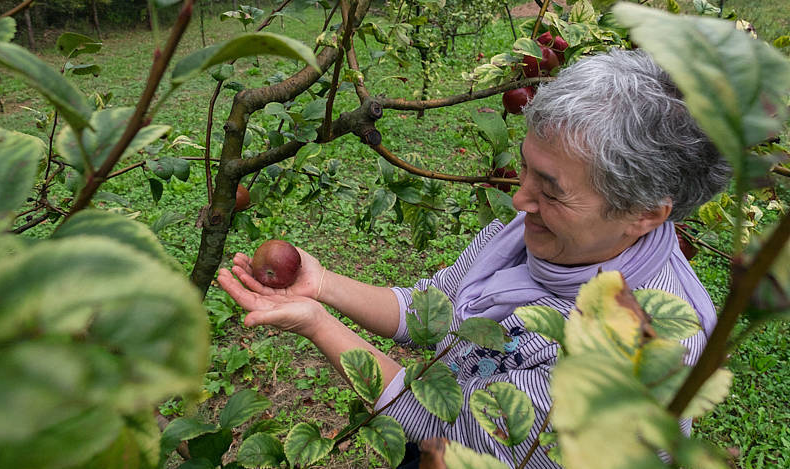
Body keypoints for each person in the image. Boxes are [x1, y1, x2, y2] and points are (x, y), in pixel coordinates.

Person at [217, 49, 731, 468]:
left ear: (643, 213)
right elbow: (430, 309)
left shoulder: (638, 357)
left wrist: (317, 325)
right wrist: (322, 284)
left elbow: (443, 432)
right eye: (527, 168)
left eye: (551, 191)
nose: (519, 199)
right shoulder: (532, 236)